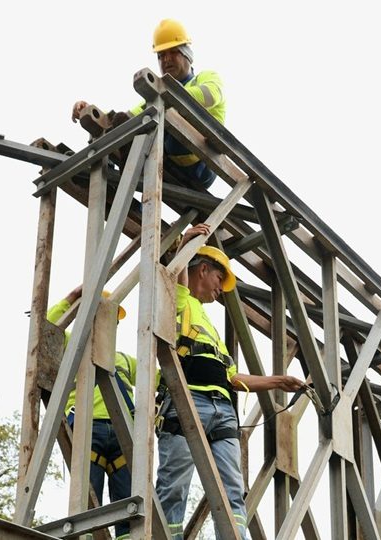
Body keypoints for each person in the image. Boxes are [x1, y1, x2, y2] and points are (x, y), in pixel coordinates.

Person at [155, 224, 305, 539]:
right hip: (187, 400)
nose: (221, 289)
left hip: (223, 410)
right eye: (219, 278)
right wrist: (185, 245)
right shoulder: (181, 301)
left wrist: (278, 381)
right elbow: (177, 275)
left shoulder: (208, 325)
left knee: (232, 490)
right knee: (174, 487)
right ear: (203, 269)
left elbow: (233, 378)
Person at [71, 19, 226, 190]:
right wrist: (90, 112)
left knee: (164, 116)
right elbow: (128, 117)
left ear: (187, 54)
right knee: (124, 121)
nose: (166, 59)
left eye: (173, 52)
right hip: (171, 161)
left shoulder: (205, 77)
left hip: (203, 164)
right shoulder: (159, 96)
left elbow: (211, 94)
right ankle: (109, 177)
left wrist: (167, 95)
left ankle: (127, 174)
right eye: (161, 55)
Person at [47, 285, 135, 540]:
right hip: (88, 427)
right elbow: (49, 329)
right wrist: (71, 298)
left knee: (128, 505)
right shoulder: (73, 346)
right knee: (86, 504)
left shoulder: (125, 360)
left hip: (123, 432)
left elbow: (161, 378)